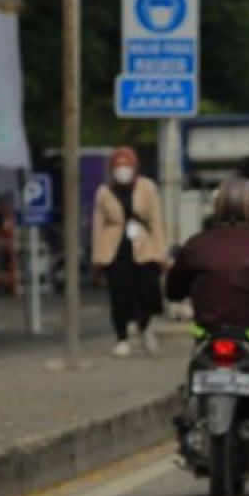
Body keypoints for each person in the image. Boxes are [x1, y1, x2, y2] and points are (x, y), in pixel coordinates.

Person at [165, 177, 249, 422]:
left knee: (195, 370)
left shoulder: (197, 245)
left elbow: (173, 291)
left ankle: (191, 406)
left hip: (208, 334)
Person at [91, 147, 168, 356]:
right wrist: (97, 258)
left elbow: (157, 221)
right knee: (119, 294)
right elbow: (98, 225)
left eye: (126, 165)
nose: (122, 169)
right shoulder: (104, 192)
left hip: (143, 246)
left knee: (147, 291)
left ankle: (145, 327)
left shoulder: (147, 187)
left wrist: (161, 254)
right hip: (115, 249)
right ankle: (121, 337)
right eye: (118, 165)